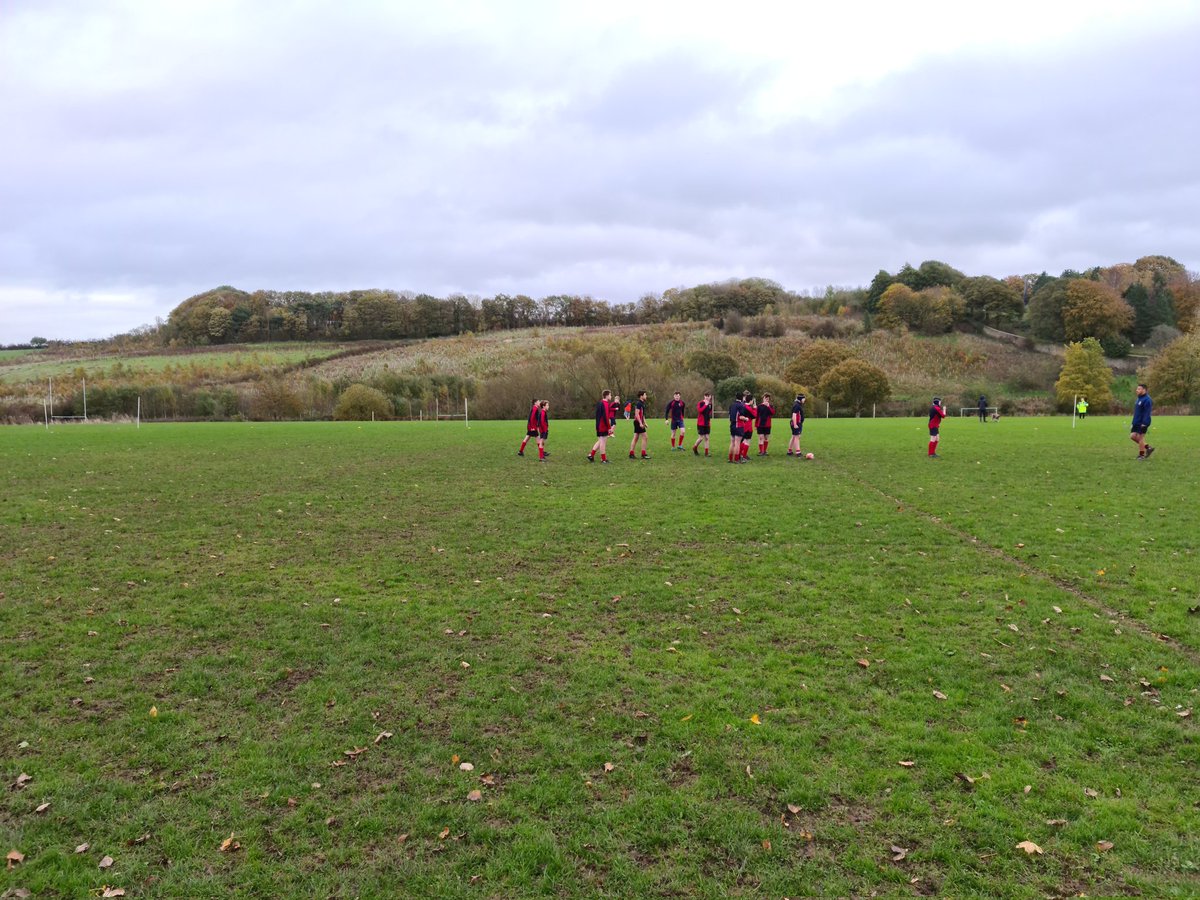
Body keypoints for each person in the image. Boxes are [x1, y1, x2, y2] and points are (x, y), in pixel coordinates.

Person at [1131, 383, 1154, 460]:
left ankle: (1141, 455)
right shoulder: (1139, 399)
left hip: (1142, 423)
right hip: (1136, 422)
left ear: (1144, 390)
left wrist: (1145, 423)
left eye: (1139, 389)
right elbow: (1137, 412)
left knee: (1141, 438)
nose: (1136, 390)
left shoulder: (1147, 400)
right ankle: (1148, 448)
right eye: (1137, 389)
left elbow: (1147, 412)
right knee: (1133, 436)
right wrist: (1133, 422)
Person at [588, 390, 612, 463]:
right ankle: (603, 459)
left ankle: (591, 455)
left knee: (600, 441)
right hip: (603, 426)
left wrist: (597, 426)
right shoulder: (605, 404)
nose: (611, 396)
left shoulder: (600, 403)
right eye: (610, 395)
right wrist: (609, 427)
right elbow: (605, 417)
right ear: (607, 395)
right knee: (603, 442)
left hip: (599, 425)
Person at [629, 391, 650, 459]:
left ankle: (631, 454)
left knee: (636, 438)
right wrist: (640, 423)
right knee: (645, 437)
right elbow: (637, 414)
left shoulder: (642, 403)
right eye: (645, 395)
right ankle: (643, 454)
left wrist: (645, 422)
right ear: (641, 396)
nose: (646, 396)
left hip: (638, 422)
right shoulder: (639, 403)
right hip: (638, 422)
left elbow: (642, 414)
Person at [727, 392, 745, 463]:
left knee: (732, 442)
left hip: (732, 425)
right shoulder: (741, 405)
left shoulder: (731, 405)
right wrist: (746, 419)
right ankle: (736, 459)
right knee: (737, 443)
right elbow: (741, 417)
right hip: (738, 425)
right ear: (742, 397)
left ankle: (730, 459)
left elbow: (729, 416)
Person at [787, 392, 806, 456]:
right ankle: (798, 452)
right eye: (803, 399)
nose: (804, 400)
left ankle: (789, 451)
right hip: (796, 423)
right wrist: (795, 424)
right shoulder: (797, 405)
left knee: (794, 436)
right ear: (800, 399)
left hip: (798, 423)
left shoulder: (798, 404)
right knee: (797, 437)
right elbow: (794, 415)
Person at [740, 393, 756, 460]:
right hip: (748, 426)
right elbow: (754, 415)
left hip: (743, 426)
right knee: (747, 441)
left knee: (743, 440)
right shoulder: (748, 408)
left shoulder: (743, 406)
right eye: (752, 400)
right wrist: (755, 408)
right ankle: (744, 455)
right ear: (751, 400)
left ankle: (740, 454)